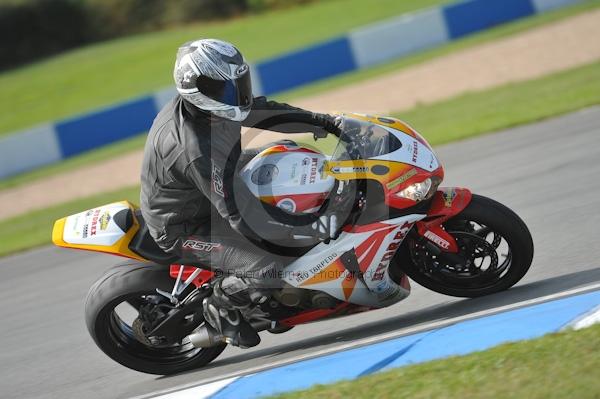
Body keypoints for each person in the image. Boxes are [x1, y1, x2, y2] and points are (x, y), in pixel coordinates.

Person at [140, 39, 344, 348]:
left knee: (289, 153)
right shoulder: (195, 149)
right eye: (223, 87)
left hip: (213, 184)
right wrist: (297, 231)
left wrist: (323, 122)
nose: (232, 93)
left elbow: (263, 112)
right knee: (269, 266)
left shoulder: (212, 109)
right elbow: (237, 213)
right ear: (197, 88)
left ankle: (270, 302)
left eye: (234, 84)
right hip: (187, 225)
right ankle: (221, 305)